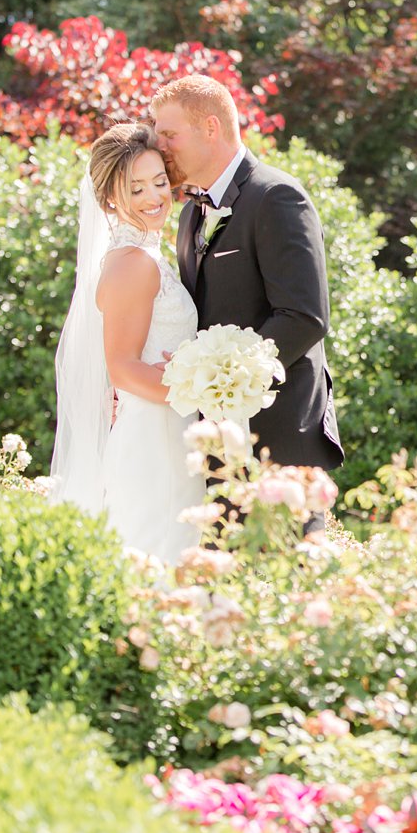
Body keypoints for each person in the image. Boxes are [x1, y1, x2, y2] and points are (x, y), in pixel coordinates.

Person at [150, 75, 344, 536]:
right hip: (216, 444)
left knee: (289, 588)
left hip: (279, 437)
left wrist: (222, 380)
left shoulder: (276, 197)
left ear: (210, 128)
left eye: (168, 134)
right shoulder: (189, 215)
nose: (159, 146)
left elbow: (304, 316)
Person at [48, 122, 204, 563]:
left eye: (159, 182)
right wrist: (204, 387)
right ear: (109, 200)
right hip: (156, 437)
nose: (154, 198)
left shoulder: (142, 254)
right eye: (136, 190)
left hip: (169, 428)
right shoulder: (133, 263)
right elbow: (122, 367)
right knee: (158, 557)